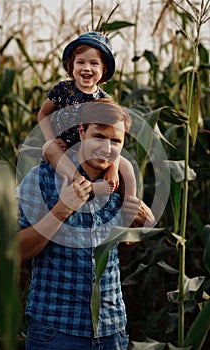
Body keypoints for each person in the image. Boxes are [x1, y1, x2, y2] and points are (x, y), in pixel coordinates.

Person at [17, 99, 155, 350]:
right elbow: (13, 251)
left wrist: (138, 230)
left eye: (116, 141)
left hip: (111, 330)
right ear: (81, 131)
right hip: (56, 331)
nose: (106, 148)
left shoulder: (120, 185)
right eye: (98, 137)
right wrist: (61, 210)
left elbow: (115, 253)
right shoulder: (40, 179)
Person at [38, 31, 136, 197]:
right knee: (48, 148)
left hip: (93, 150)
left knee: (126, 165)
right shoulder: (62, 90)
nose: (86, 68)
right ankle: (82, 183)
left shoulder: (104, 99)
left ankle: (131, 205)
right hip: (65, 148)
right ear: (72, 65)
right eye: (80, 62)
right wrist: (53, 139)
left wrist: (112, 167)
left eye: (94, 63)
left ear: (104, 69)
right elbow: (43, 114)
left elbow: (114, 134)